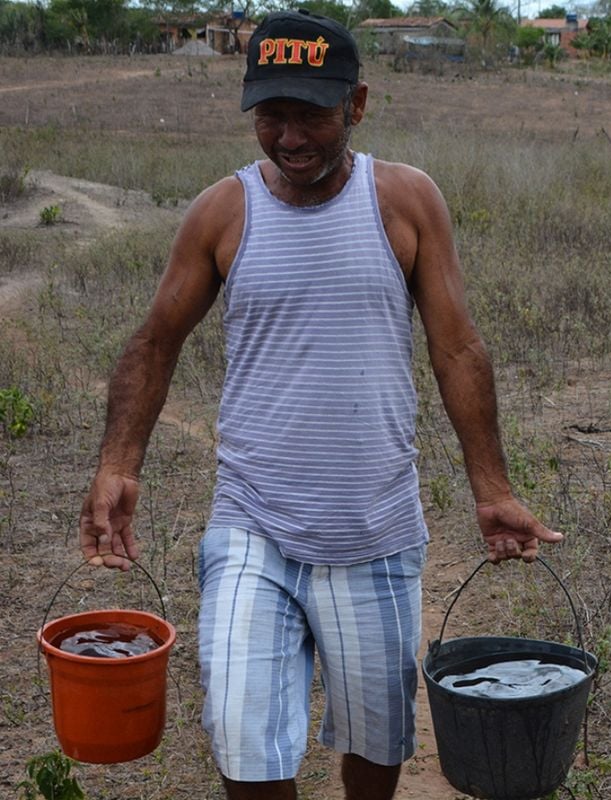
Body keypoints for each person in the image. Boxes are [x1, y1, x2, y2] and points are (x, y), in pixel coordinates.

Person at [77, 9, 563, 800]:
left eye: (312, 114)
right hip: (252, 525)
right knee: (243, 738)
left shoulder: (404, 202)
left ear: (358, 105)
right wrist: (116, 466)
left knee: (377, 743)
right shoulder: (222, 213)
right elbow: (153, 342)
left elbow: (457, 349)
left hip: (375, 531)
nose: (290, 137)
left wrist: (493, 488)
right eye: (271, 115)